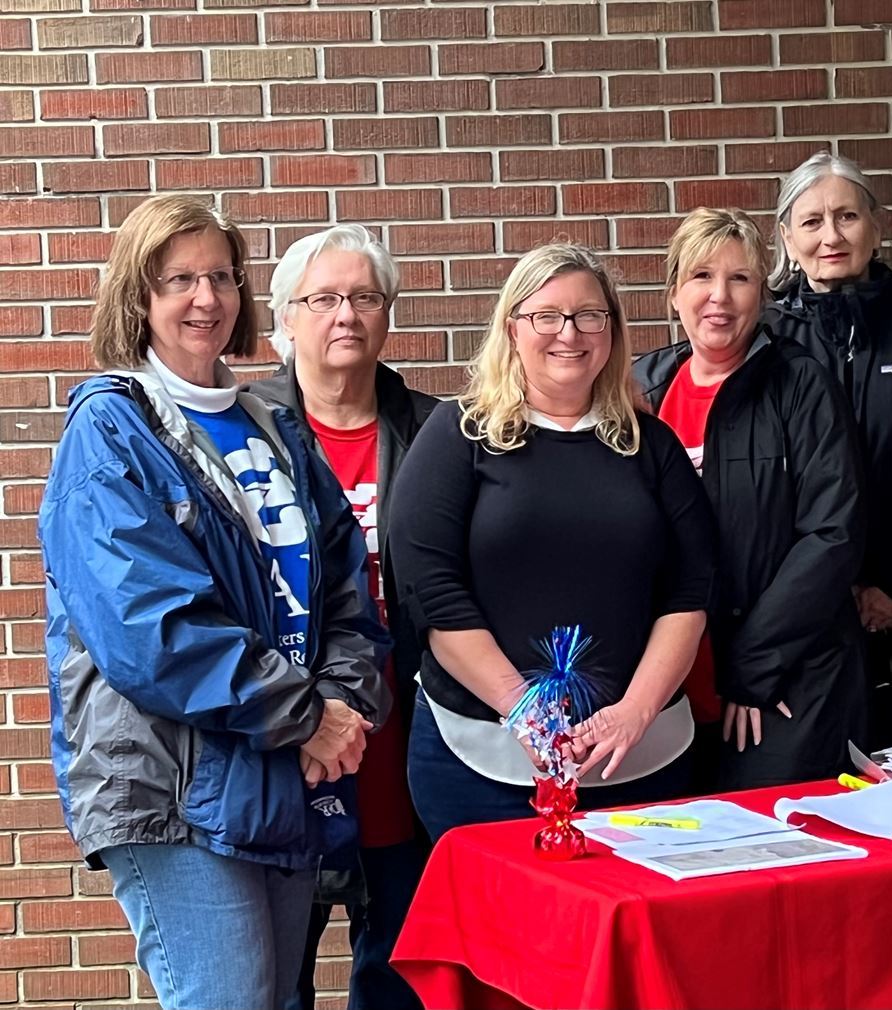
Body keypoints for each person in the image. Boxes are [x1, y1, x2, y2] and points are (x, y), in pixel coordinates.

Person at [40, 195, 390, 1010]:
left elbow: (344, 585)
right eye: (179, 281)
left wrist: (340, 703)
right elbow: (152, 630)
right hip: (172, 789)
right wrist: (309, 714)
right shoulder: (110, 431)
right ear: (139, 297)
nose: (207, 298)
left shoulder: (271, 421)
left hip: (279, 774)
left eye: (221, 277)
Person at [388, 243, 716, 840]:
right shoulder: (457, 436)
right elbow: (430, 589)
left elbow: (688, 593)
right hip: (481, 759)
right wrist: (523, 708)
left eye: (590, 315)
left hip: (641, 755)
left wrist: (634, 712)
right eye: (546, 316)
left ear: (612, 331)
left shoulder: (653, 447)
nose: (569, 332)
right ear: (512, 328)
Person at [252, 225, 436, 1010]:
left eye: (364, 297)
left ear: (387, 315)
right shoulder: (238, 434)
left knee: (394, 963)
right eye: (323, 299)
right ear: (283, 321)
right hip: (284, 738)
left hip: (404, 737)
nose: (346, 316)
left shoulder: (437, 433)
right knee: (272, 970)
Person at [634, 208, 866, 790]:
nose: (720, 296)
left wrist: (751, 669)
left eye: (740, 279)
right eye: (701, 277)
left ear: (762, 293)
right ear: (673, 292)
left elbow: (832, 536)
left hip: (784, 677)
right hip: (670, 684)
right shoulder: (641, 391)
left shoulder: (800, 383)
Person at [766, 152, 892, 750]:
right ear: (786, 235)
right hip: (810, 629)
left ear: (876, 227)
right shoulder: (768, 340)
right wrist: (842, 590)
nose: (831, 235)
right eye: (811, 221)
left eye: (847, 216)